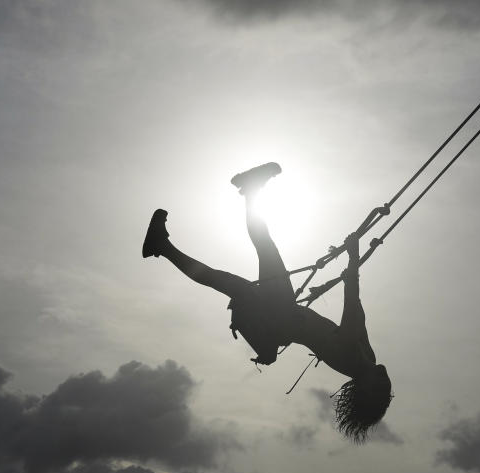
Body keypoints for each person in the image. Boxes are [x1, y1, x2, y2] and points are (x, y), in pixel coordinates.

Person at [141, 162, 393, 442]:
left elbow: (352, 311)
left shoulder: (353, 360)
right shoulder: (368, 357)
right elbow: (359, 315)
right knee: (227, 276)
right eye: (388, 391)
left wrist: (354, 260)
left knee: (251, 257)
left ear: (365, 389)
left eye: (381, 391)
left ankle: (246, 192)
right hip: (285, 314)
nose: (386, 384)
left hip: (282, 315)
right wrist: (349, 267)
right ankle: (163, 245)